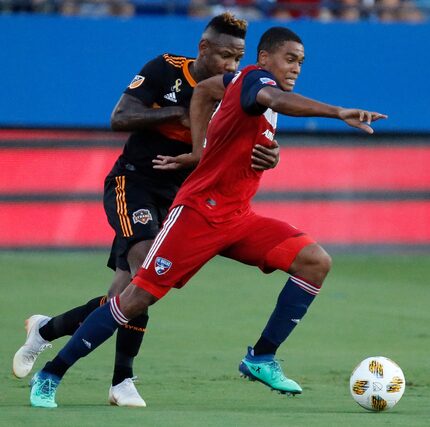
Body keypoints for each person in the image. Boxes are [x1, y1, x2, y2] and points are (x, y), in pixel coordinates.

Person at [27, 26, 387, 408]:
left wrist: (206, 149)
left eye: (301, 61)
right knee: (134, 300)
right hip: (197, 215)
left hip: (237, 218)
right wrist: (337, 112)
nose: (296, 66)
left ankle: (261, 357)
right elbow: (274, 100)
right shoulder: (256, 80)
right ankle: (50, 375)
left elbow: (204, 91)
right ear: (264, 58)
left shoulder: (234, 82)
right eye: (290, 58)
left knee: (315, 262)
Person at [13, 13, 280, 408]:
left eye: (238, 57)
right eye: (224, 55)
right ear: (203, 48)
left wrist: (270, 156)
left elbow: (247, 143)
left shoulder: (236, 89)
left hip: (179, 197)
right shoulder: (165, 70)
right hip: (132, 184)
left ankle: (47, 329)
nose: (231, 66)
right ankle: (121, 381)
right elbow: (119, 118)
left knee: (126, 296)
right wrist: (182, 113)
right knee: (145, 275)